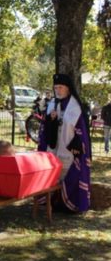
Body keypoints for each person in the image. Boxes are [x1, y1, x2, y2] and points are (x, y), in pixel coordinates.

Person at [38, 73, 91, 212]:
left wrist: (80, 148)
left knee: (70, 176)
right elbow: (45, 127)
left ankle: (68, 205)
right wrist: (51, 119)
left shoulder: (76, 106)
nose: (58, 90)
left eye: (60, 87)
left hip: (69, 149)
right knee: (53, 175)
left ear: (68, 88)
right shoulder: (52, 104)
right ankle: (53, 202)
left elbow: (82, 131)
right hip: (53, 149)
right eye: (56, 87)